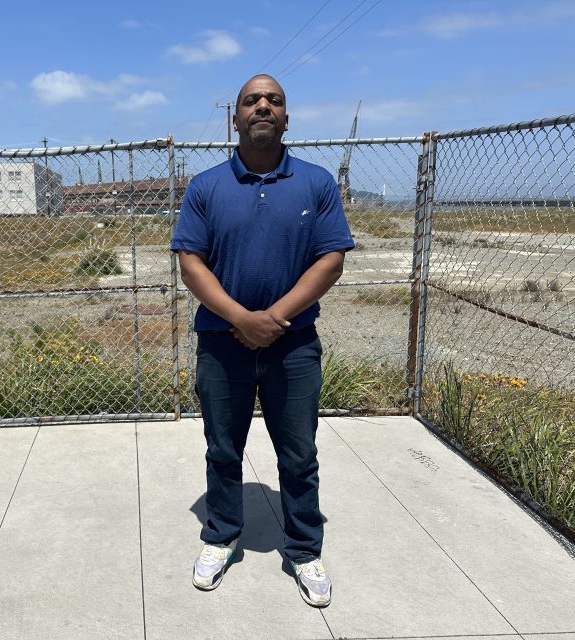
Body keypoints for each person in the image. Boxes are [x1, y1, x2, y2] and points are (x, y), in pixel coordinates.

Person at [171, 74, 354, 607]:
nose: (263, 107)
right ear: (236, 117)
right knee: (222, 449)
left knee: (298, 454)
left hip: (293, 346)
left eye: (273, 100)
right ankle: (221, 535)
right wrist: (239, 319)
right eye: (252, 101)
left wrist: (273, 318)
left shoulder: (316, 183)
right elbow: (190, 263)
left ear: (287, 117)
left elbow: (331, 259)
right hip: (221, 344)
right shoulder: (205, 187)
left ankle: (303, 549)